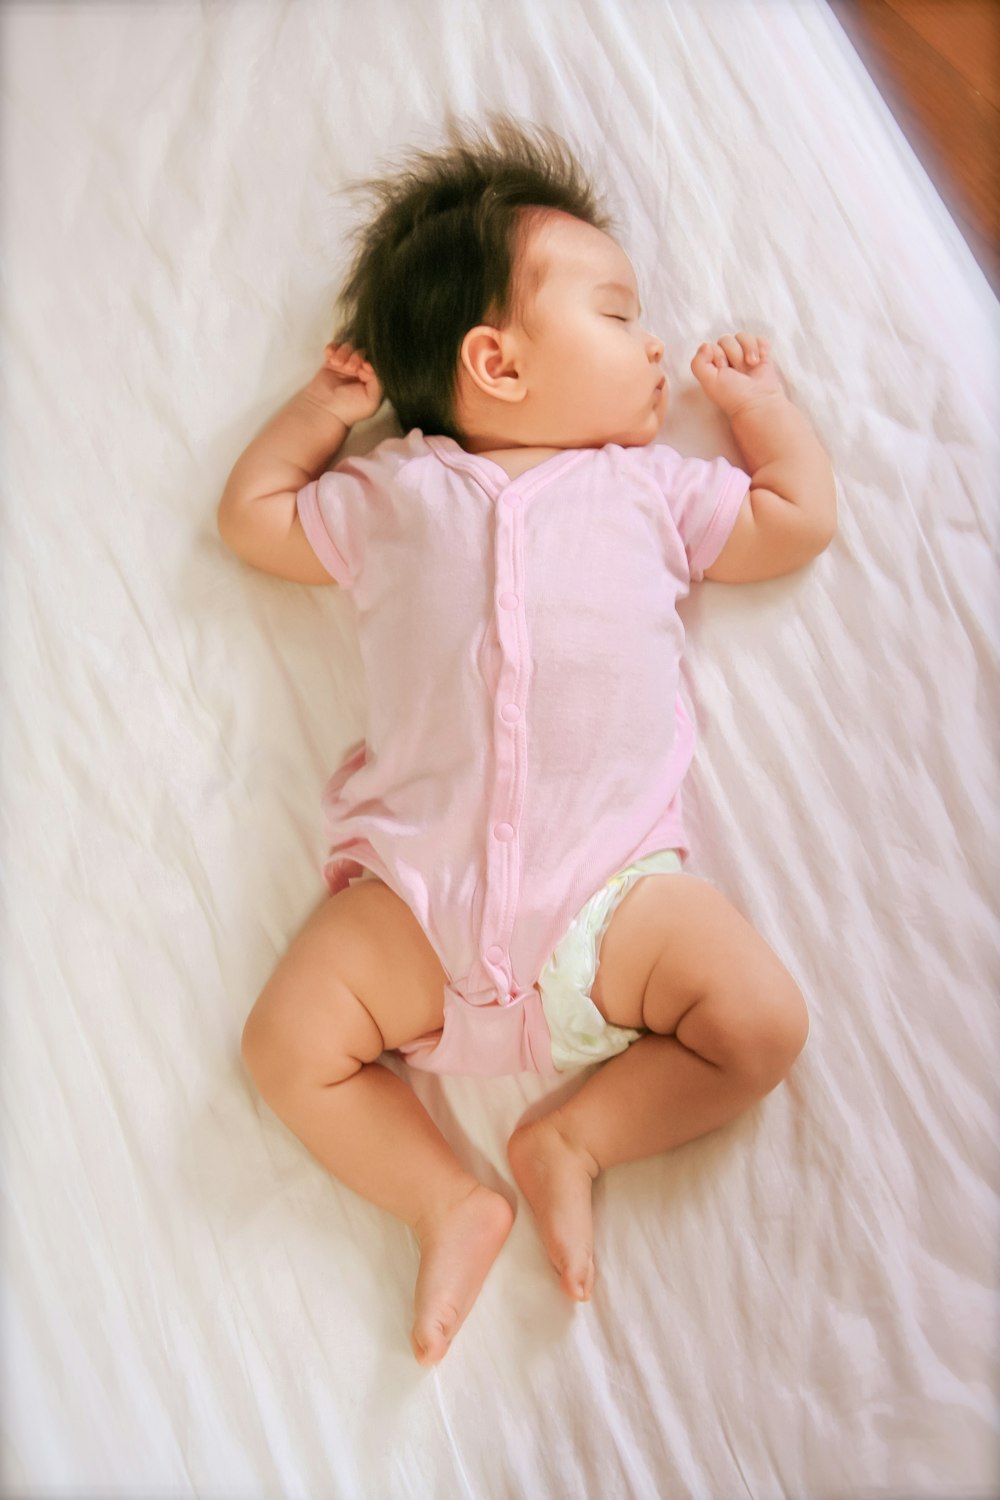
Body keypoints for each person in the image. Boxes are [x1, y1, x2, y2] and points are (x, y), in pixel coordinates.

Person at [218, 118, 836, 1367]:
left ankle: (574, 1137)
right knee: (285, 1047)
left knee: (761, 1023)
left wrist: (760, 410)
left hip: (611, 896)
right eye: (617, 315)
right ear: (494, 364)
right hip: (415, 899)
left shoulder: (650, 490)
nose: (655, 341)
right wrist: (319, 412)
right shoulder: (395, 494)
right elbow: (254, 520)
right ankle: (447, 1197)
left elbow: (793, 521)